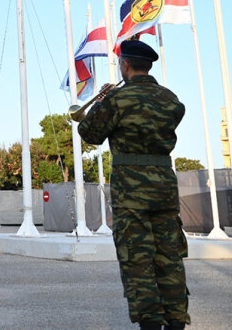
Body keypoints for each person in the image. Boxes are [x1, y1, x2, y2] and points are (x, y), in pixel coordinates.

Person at [78, 40, 189, 330]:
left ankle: (150, 323)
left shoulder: (117, 99)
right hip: (165, 187)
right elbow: (174, 115)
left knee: (137, 259)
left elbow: (89, 133)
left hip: (131, 190)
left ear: (124, 65)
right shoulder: (170, 99)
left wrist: (102, 101)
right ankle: (176, 321)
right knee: (170, 258)